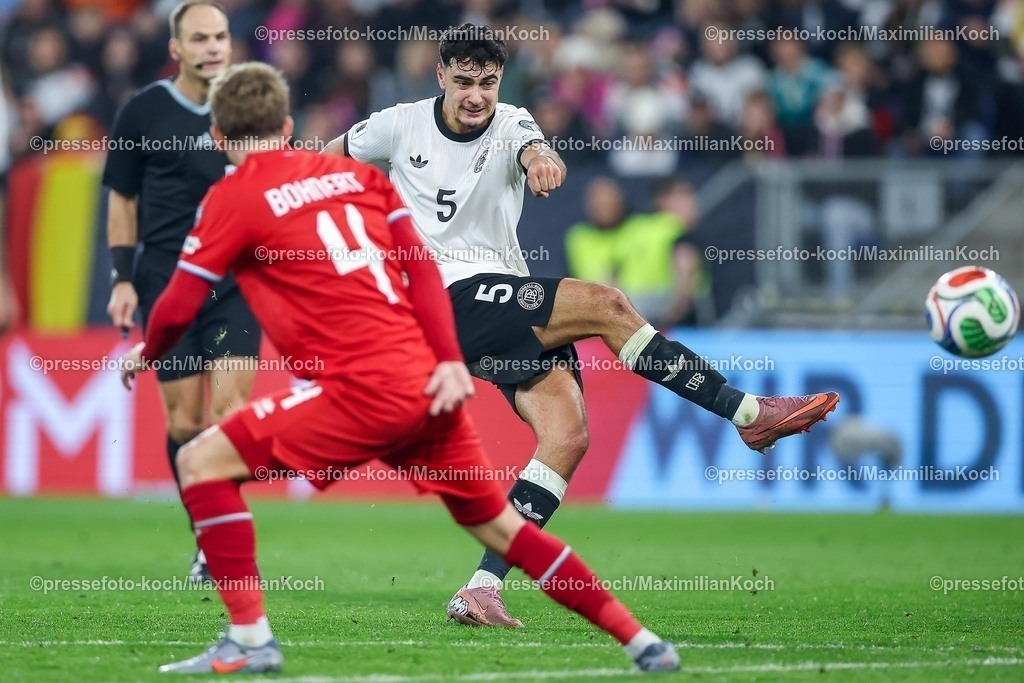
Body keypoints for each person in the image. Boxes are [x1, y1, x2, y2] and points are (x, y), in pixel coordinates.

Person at [119, 61, 681, 675]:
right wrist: (446, 362)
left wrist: (148, 351)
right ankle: (642, 642)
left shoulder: (232, 195)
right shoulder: (352, 181)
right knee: (503, 529)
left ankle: (251, 640)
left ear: (219, 139)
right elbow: (425, 276)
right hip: (423, 380)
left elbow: (176, 304)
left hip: (359, 392)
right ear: (285, 125)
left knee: (200, 461)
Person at [324, 24, 839, 628]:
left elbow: (533, 148)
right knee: (607, 305)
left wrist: (542, 159)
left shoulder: (512, 121)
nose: (475, 96)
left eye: (487, 83)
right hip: (442, 297)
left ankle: (481, 587)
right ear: (440, 77)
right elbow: (319, 160)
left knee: (567, 437)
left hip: (493, 297)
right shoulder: (397, 124)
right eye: (463, 82)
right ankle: (748, 415)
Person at [102, 0, 260, 583]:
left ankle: (224, 547)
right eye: (200, 38)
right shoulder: (142, 112)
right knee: (184, 425)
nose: (213, 46)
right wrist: (122, 277)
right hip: (165, 279)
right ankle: (205, 534)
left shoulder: (250, 110)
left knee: (230, 415)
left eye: (220, 36)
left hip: (234, 281)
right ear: (176, 48)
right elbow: (121, 198)